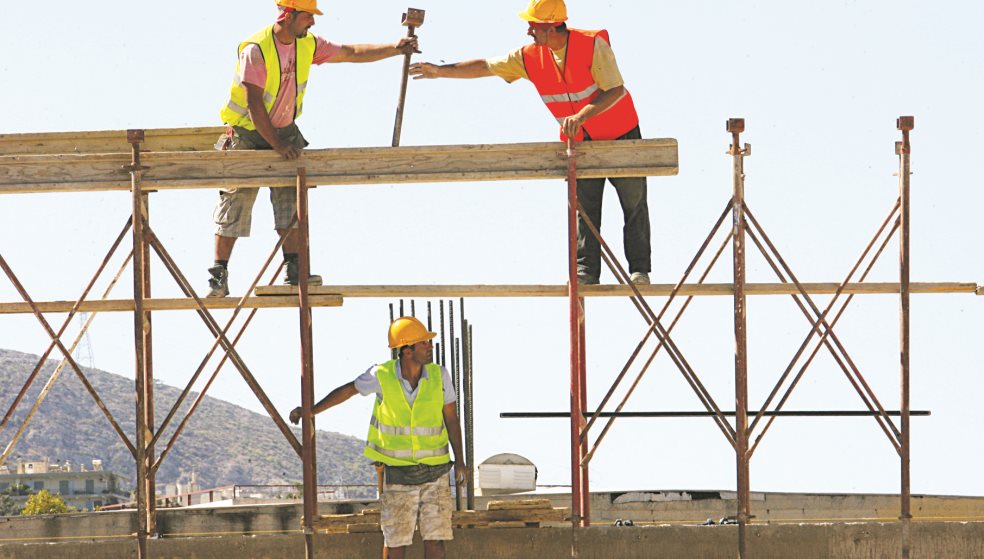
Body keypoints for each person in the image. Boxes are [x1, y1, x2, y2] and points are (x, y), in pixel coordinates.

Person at [408, 0, 651, 286]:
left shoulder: (591, 45)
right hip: (582, 143)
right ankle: (587, 274)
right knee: (584, 211)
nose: (528, 31)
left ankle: (638, 270)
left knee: (633, 204)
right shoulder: (530, 56)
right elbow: (486, 66)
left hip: (621, 134)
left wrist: (582, 115)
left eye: (533, 26)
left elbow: (615, 89)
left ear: (550, 28)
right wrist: (440, 70)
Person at [208, 0, 419, 297]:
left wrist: (396, 48)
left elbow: (351, 52)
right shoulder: (256, 49)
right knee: (236, 203)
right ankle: (219, 274)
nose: (313, 23)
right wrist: (278, 145)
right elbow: (254, 105)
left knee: (290, 203)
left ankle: (294, 271)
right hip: (247, 134)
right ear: (288, 15)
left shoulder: (307, 44)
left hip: (284, 133)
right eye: (308, 17)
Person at [289, 317, 467, 559]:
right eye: (424, 342)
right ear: (406, 350)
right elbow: (347, 391)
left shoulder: (440, 376)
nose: (430, 346)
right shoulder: (381, 375)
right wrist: (311, 410)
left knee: (436, 541)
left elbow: (452, 419)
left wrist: (461, 461)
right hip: (399, 475)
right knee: (395, 543)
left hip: (436, 474)